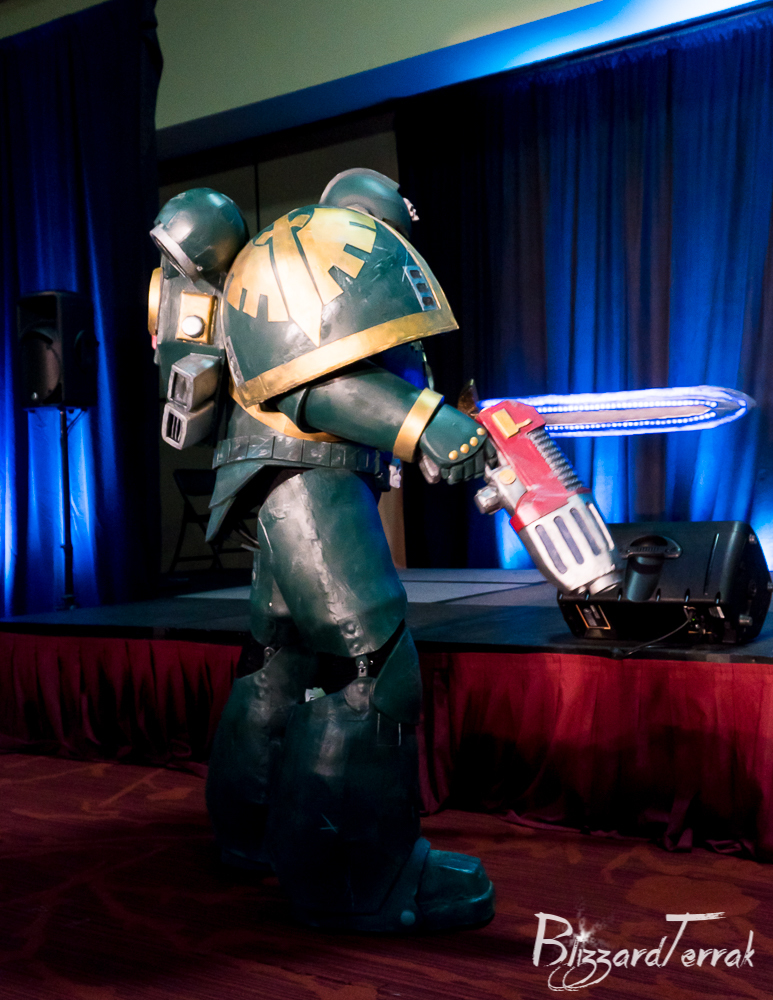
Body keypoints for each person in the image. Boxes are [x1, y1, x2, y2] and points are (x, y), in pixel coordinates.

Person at [151, 169, 495, 932]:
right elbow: (312, 381)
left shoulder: (278, 258)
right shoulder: (308, 248)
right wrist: (426, 424)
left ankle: (252, 830)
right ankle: (356, 881)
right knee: (367, 665)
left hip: (280, 481)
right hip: (310, 481)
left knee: (279, 658)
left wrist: (422, 429)